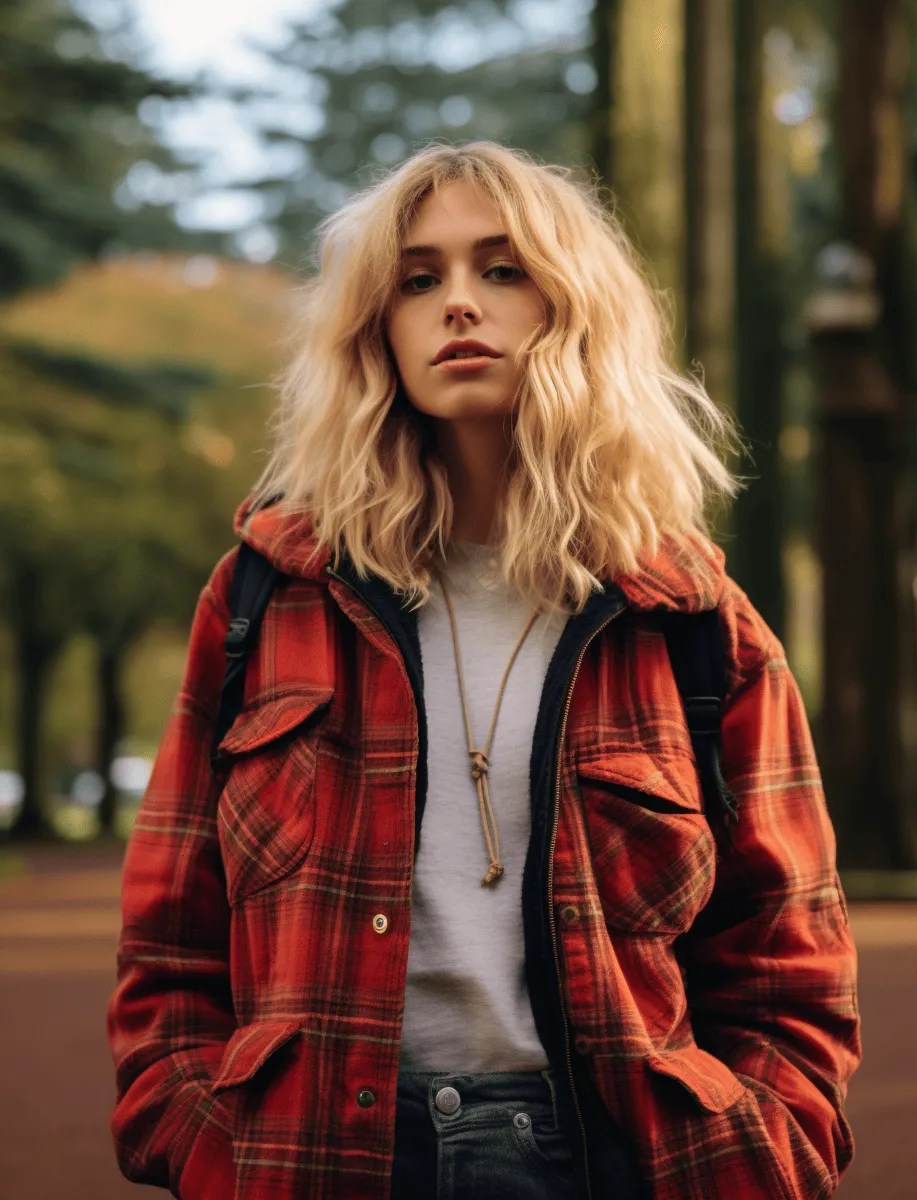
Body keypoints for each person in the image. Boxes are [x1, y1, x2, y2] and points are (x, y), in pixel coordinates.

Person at [105, 140, 861, 1200]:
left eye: (501, 269)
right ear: (378, 328)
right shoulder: (266, 599)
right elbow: (169, 949)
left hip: (611, 1162)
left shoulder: (693, 627)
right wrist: (203, 1142)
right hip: (317, 1159)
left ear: (573, 308)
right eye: (419, 279)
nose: (459, 302)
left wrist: (748, 1157)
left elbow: (791, 973)